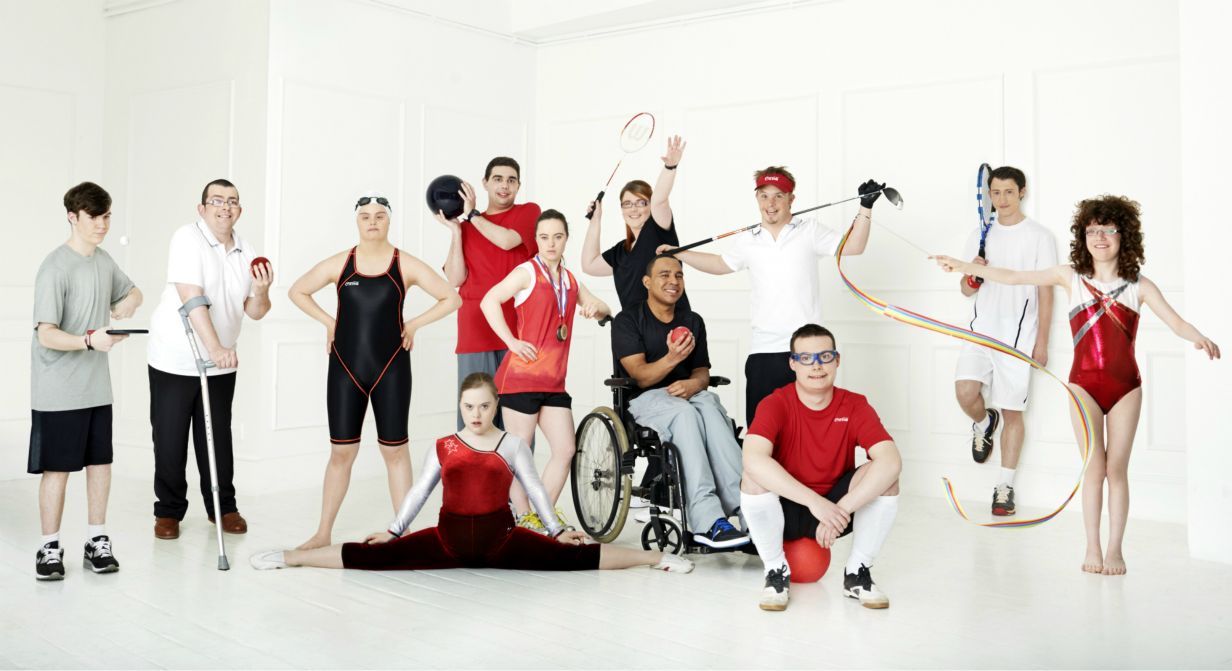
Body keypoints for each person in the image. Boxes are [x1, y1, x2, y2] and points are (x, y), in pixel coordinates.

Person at [932, 195, 1219, 576]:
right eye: (1092, 230)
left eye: (1108, 230)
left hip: (1126, 388)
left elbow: (1176, 322)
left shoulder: (1138, 285)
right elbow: (1015, 276)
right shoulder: (1070, 277)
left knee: (1116, 470)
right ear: (1083, 236)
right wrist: (964, 266)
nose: (1099, 237)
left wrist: (1199, 338)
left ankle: (1115, 550)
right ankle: (1092, 547)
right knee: (1094, 469)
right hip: (1083, 386)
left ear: (1124, 235)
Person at [249, 374, 692, 574]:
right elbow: (419, 492)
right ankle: (289, 558)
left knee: (577, 559)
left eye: (483, 406)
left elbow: (535, 490)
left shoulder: (511, 444)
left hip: (503, 542)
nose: (476, 414)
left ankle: (656, 560)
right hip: (448, 542)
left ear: (495, 405)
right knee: (372, 555)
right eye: (468, 406)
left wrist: (556, 531)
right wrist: (394, 531)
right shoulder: (444, 445)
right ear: (460, 406)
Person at [288, 194, 461, 550]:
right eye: (365, 216)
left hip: (391, 369)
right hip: (345, 369)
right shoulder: (342, 263)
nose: (372, 221)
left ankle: (403, 534)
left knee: (395, 452)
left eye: (380, 215)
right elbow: (297, 291)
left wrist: (414, 324)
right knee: (341, 453)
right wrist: (329, 323)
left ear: (389, 221)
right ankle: (323, 533)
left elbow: (451, 298)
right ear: (357, 221)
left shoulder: (404, 263)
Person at [661, 167, 885, 426]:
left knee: (809, 430)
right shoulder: (748, 239)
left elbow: (854, 246)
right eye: (764, 196)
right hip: (764, 350)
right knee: (762, 431)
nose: (771, 203)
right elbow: (721, 264)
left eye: (779, 196)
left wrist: (865, 207)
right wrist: (680, 253)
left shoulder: (810, 230)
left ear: (791, 199)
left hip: (807, 351)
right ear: (757, 198)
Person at [740, 324, 901, 611]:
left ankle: (857, 573)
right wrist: (815, 503)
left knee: (887, 479)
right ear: (793, 363)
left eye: (825, 357)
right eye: (806, 358)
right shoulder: (775, 403)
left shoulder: (855, 404)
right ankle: (775, 572)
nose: (816, 366)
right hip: (787, 505)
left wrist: (841, 509)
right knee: (752, 477)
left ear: (837, 360)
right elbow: (752, 459)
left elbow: (891, 461)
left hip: (836, 508)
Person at [146, 179, 271, 540]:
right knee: (170, 438)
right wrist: (215, 348)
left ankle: (222, 507)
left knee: (216, 437)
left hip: (221, 362)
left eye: (232, 201)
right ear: (202, 208)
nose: (225, 207)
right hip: (175, 358)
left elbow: (255, 311)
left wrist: (261, 290)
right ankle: (168, 511)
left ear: (239, 210)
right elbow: (191, 297)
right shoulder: (187, 238)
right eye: (216, 200)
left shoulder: (246, 250)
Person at [30, 182, 142, 580]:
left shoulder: (104, 261)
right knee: (57, 470)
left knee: (100, 464)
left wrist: (125, 306)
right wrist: (90, 341)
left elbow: (133, 293)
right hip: (58, 390)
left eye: (107, 216)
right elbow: (46, 334)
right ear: (72, 217)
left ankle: (97, 541)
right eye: (94, 217)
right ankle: (48, 548)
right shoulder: (54, 267)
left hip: (96, 387)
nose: (102, 224)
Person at [481, 209, 611, 533]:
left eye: (557, 236)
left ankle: (542, 517)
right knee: (521, 454)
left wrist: (595, 308)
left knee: (565, 449)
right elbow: (489, 301)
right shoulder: (526, 272)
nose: (551, 243)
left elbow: (604, 309)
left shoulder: (570, 281)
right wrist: (511, 342)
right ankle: (524, 519)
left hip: (553, 383)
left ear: (566, 239)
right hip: (520, 380)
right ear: (536, 240)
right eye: (544, 237)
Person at [611, 255, 748, 549]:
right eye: (664, 275)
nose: (673, 281)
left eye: (678, 275)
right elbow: (640, 376)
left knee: (710, 408)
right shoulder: (628, 320)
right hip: (646, 399)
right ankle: (707, 521)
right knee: (685, 415)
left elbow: (701, 371)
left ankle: (747, 508)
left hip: (688, 393)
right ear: (647, 282)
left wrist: (694, 384)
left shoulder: (692, 321)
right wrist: (672, 358)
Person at [953, 166, 1057, 516]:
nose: (1002, 199)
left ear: (1022, 192)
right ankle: (984, 422)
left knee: (1013, 412)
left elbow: (1046, 292)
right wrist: (973, 275)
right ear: (989, 195)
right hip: (980, 332)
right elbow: (965, 290)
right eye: (995, 193)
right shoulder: (980, 235)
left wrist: (1041, 343)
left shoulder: (1040, 237)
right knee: (965, 393)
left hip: (1018, 339)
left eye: (1009, 192)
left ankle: (1004, 486)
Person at [438, 157, 540, 431]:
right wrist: (457, 231)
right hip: (475, 329)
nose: (504, 185)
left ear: (518, 185)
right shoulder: (468, 227)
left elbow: (507, 241)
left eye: (511, 180)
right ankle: (473, 461)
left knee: (517, 419)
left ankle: (514, 463)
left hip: (517, 329)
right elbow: (455, 279)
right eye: (497, 179)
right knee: (477, 416)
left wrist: (472, 215)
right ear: (485, 183)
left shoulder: (528, 212)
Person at [581, 135, 691, 312]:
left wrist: (670, 167)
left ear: (650, 206)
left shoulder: (658, 231)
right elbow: (589, 265)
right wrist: (595, 220)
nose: (634, 209)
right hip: (634, 326)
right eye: (627, 204)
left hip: (672, 324)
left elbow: (660, 200)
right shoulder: (620, 252)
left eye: (641, 203)